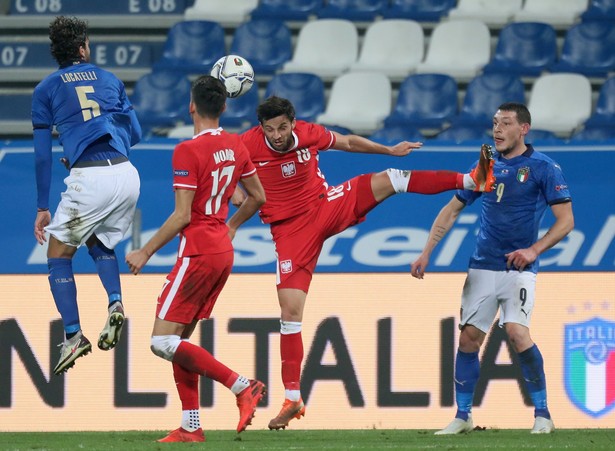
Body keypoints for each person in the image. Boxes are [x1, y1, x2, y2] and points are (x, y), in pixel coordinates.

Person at [233, 95, 496, 430]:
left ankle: (472, 180)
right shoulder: (246, 145)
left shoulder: (309, 133)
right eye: (270, 129)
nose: (277, 135)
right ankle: (292, 398)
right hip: (289, 232)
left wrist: (388, 150)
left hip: (324, 206)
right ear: (261, 128)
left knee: (391, 178)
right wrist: (236, 194)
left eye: (282, 127)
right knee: (289, 313)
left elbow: (348, 142)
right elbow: (224, 173)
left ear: (293, 122)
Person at [411, 102, 574, 435]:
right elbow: (452, 210)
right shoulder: (484, 165)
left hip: (519, 268)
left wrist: (533, 250)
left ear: (524, 128)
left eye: (506, 123)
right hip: (482, 266)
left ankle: (543, 414)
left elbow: (566, 221)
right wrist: (427, 251)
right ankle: (463, 416)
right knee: (469, 340)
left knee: (516, 333)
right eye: (495, 123)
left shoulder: (544, 167)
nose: (497, 129)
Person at [125, 75, 267, 443]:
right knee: (180, 342)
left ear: (191, 107)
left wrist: (145, 250)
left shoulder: (187, 151)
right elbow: (258, 196)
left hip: (199, 251)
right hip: (222, 249)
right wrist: (232, 225)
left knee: (161, 342)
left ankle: (241, 385)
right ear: (223, 107)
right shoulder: (236, 145)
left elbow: (182, 215)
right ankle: (191, 425)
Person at [32, 16, 142, 375]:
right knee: (98, 242)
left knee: (57, 254)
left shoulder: (45, 89)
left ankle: (73, 334)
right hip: (126, 173)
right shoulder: (110, 80)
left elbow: (42, 155)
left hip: (90, 178)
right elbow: (135, 132)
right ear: (83, 48)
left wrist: (43, 207)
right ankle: (114, 303)